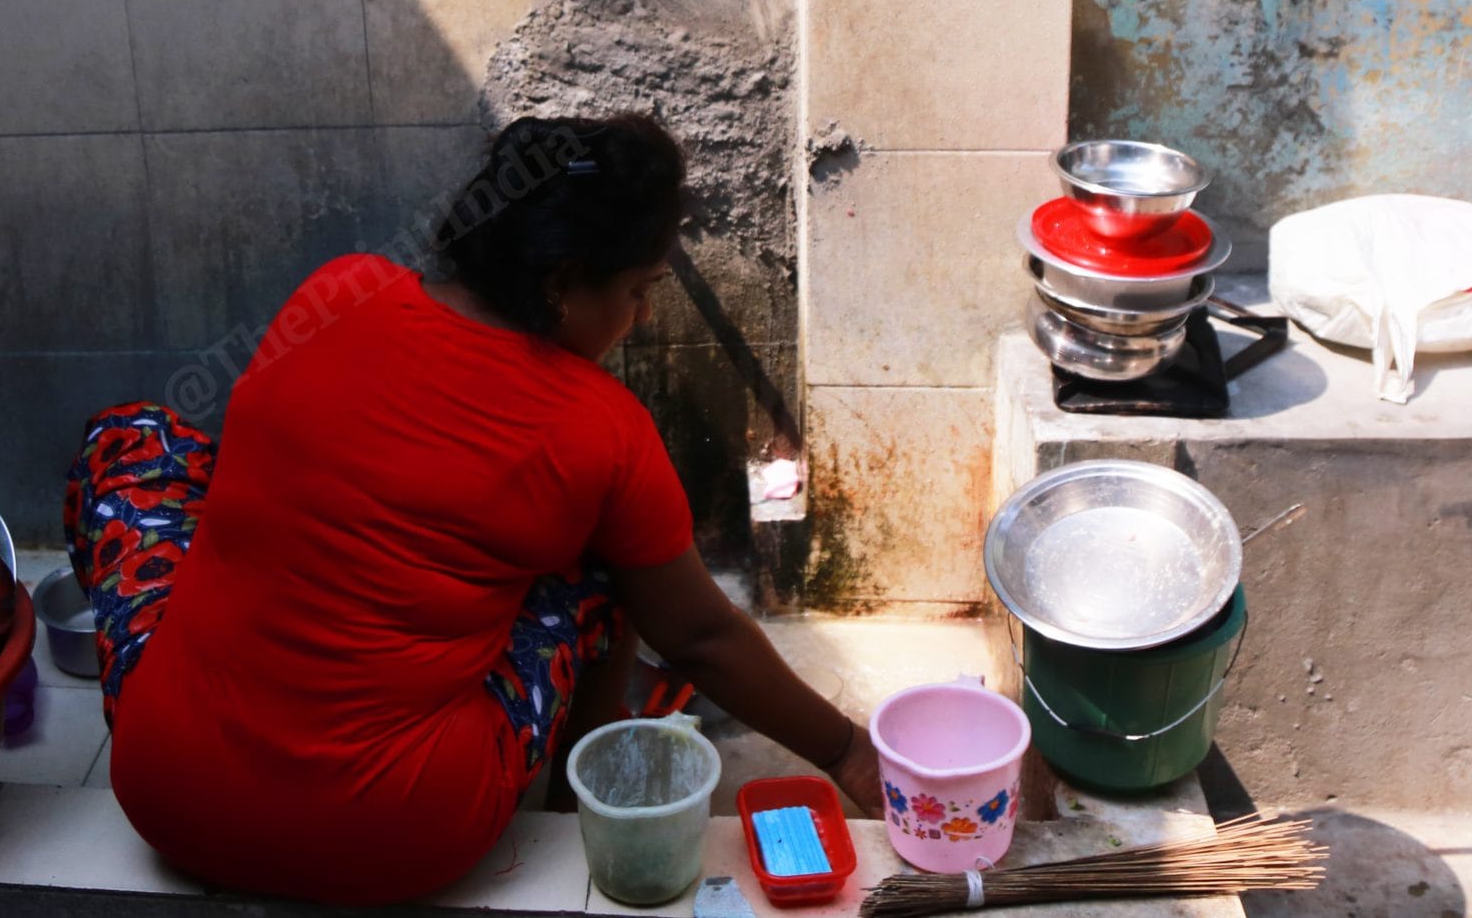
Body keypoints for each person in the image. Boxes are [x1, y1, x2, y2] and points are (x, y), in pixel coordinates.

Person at [62, 113, 880, 903]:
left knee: (132, 436)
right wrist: (844, 750)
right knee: (614, 566)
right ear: (561, 285)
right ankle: (572, 801)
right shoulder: (600, 428)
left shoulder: (340, 287)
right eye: (637, 292)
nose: (643, 317)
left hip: (169, 790)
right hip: (400, 830)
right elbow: (699, 634)